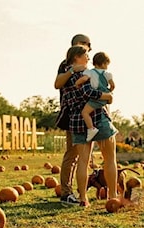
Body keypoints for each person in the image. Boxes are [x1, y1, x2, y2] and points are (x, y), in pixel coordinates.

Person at [63, 45, 117, 207]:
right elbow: (87, 92)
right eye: (85, 55)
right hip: (98, 118)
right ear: (76, 57)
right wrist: (107, 95)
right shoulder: (83, 73)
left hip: (77, 122)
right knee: (110, 159)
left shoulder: (66, 76)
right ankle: (113, 196)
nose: (88, 58)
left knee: (83, 162)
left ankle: (83, 198)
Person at [54, 34, 92, 204]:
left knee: (84, 155)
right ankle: (66, 193)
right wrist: (72, 71)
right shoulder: (67, 65)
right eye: (86, 44)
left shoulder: (85, 65)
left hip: (87, 114)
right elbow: (57, 84)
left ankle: (82, 191)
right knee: (73, 154)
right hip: (73, 114)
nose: (89, 48)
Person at [75, 52, 115, 142]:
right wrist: (109, 92)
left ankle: (91, 129)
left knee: (85, 112)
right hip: (104, 97)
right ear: (104, 63)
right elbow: (112, 85)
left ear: (94, 63)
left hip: (96, 98)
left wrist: (77, 83)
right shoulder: (107, 74)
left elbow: (84, 79)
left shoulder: (90, 72)